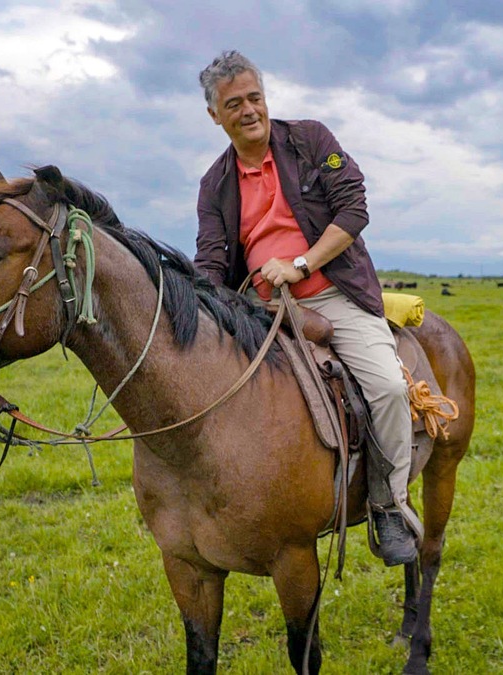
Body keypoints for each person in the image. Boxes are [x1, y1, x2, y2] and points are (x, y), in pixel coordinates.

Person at [193, 51, 422, 566]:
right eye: (234, 104)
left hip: (332, 294)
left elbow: (353, 208)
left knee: (386, 387)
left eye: (255, 97)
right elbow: (210, 258)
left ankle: (389, 505)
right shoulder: (215, 183)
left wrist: (300, 263)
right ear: (215, 115)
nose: (249, 110)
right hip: (257, 306)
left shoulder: (311, 140)